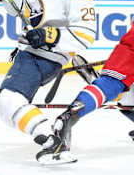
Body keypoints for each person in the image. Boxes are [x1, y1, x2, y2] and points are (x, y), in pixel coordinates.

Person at [0, 0, 96, 165]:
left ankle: (54, 142)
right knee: (7, 105)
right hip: (32, 53)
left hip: (45, 57)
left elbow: (85, 35)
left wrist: (49, 36)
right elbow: (27, 9)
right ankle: (53, 140)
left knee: (9, 99)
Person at [43, 22, 134, 160]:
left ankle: (69, 116)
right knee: (119, 94)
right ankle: (110, 93)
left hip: (127, 47)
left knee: (115, 91)